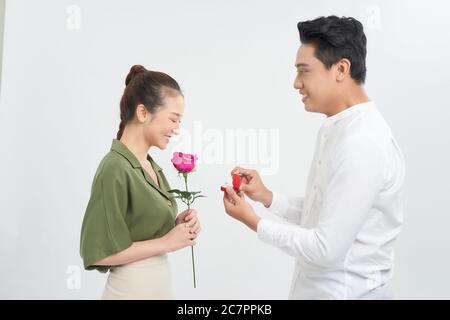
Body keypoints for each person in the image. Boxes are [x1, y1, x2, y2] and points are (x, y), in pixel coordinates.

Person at [222, 16, 405, 299]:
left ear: (341, 69)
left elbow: (325, 248)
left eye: (303, 71)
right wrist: (268, 197)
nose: (296, 83)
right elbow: (327, 214)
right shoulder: (340, 127)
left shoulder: (363, 142)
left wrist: (254, 221)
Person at [80, 65, 201, 299]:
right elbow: (98, 254)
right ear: (143, 113)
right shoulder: (115, 167)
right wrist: (166, 242)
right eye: (173, 119)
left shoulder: (150, 165)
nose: (177, 129)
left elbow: (142, 232)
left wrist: (178, 225)